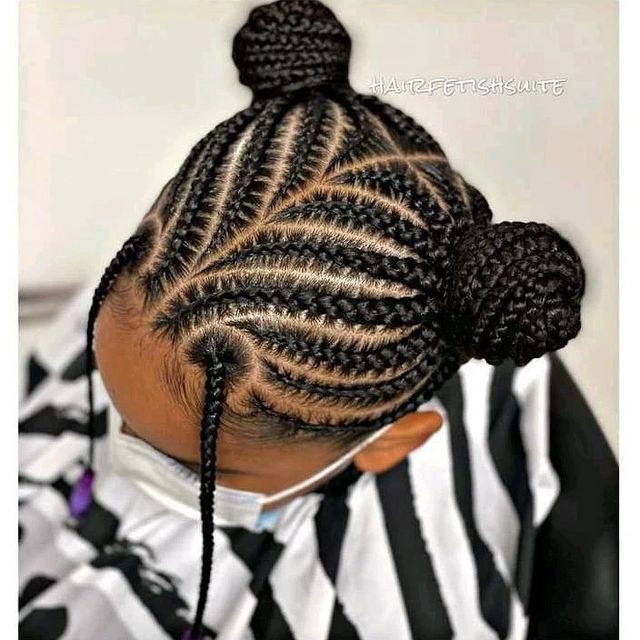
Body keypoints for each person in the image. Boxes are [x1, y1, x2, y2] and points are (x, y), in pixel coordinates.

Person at [18, 1, 618, 638]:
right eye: (116, 408)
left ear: (391, 442)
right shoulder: (162, 303)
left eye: (194, 469)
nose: (123, 452)